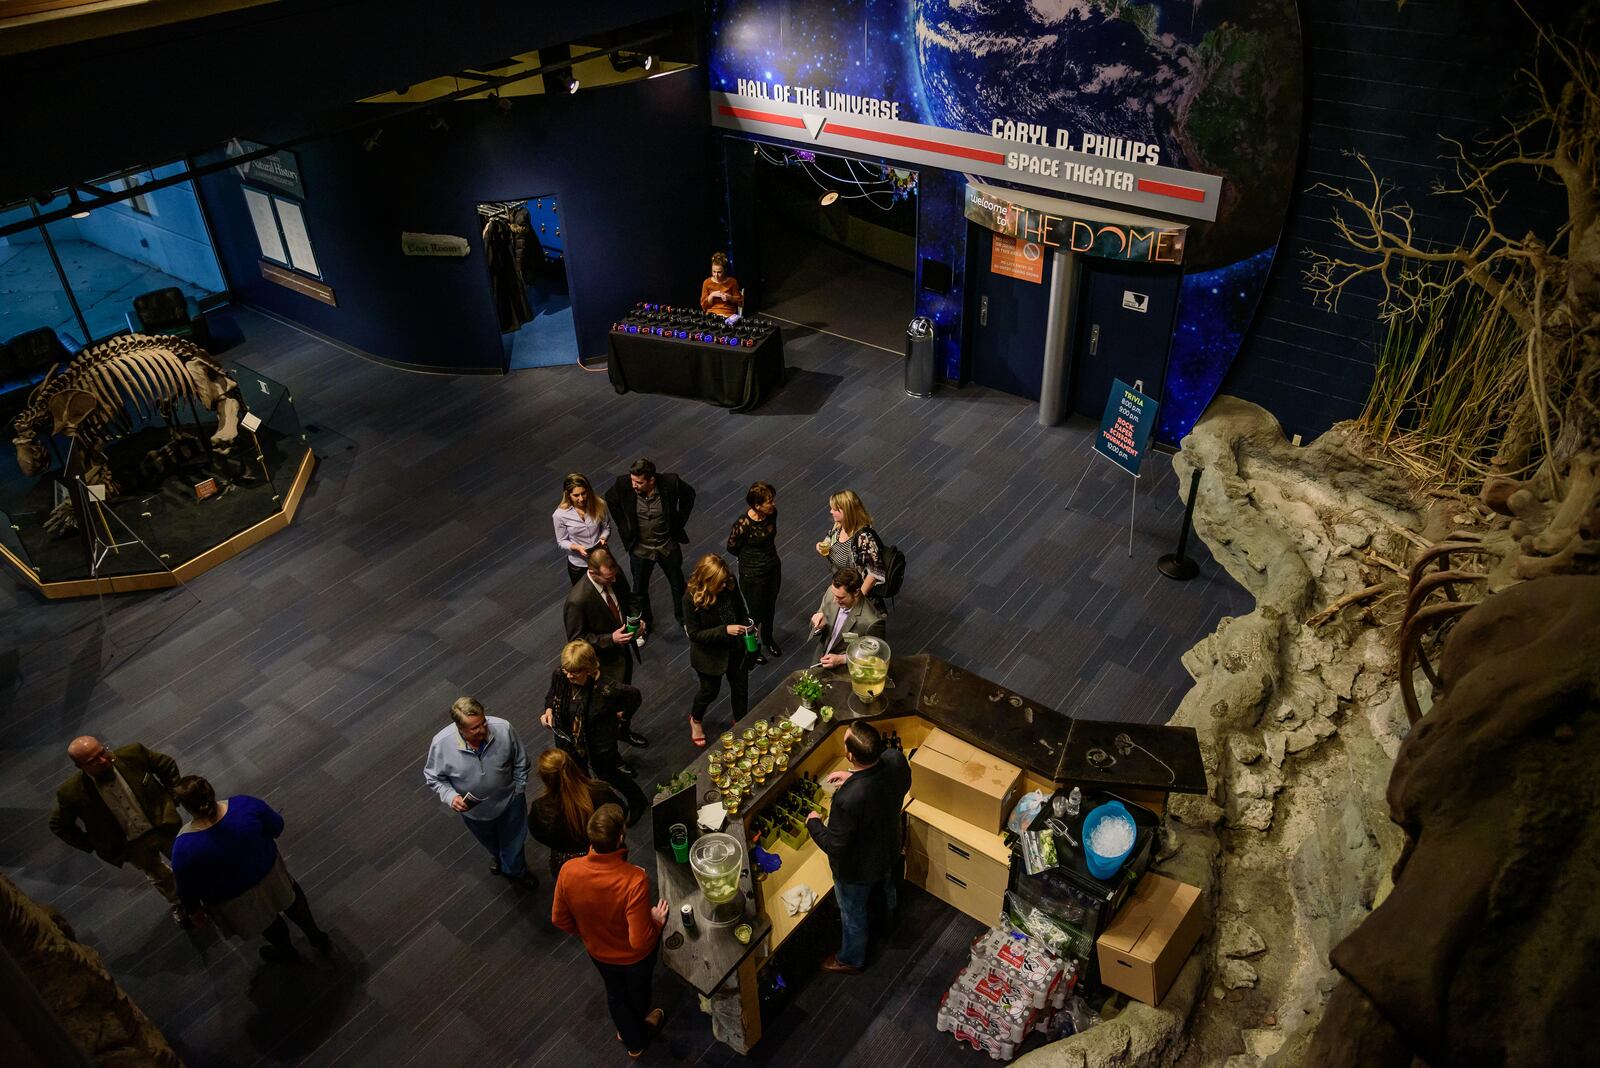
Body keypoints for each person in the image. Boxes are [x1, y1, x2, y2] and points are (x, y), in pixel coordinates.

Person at [170, 775, 331, 963]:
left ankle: (287, 953)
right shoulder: (244, 805)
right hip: (270, 873)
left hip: (234, 896)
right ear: (210, 791)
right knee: (292, 901)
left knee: (267, 922)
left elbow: (187, 888)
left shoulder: (183, 847)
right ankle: (317, 937)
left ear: (185, 807)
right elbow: (277, 826)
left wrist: (194, 911)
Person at [551, 804, 669, 1058]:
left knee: (615, 993)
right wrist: (656, 922)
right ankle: (635, 1039)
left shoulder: (568, 870)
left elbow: (559, 919)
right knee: (638, 994)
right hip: (634, 958)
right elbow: (638, 942)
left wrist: (590, 933)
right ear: (621, 838)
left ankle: (626, 1030)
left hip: (598, 953)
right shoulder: (633, 879)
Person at [48, 737, 188, 928]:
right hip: (132, 845)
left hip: (162, 826)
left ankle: (204, 888)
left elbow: (167, 766)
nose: (104, 760)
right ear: (80, 766)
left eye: (103, 752)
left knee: (187, 859)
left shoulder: (134, 754)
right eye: (94, 761)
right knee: (158, 875)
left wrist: (174, 798)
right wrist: (93, 844)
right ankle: (177, 902)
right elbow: (59, 825)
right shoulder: (71, 793)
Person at [805, 721, 911, 973]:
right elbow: (898, 784)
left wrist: (814, 823)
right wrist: (854, 775)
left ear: (851, 755)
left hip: (858, 869)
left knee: (852, 914)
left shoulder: (847, 799)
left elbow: (836, 845)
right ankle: (889, 925)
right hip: (889, 845)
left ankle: (850, 959)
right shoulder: (895, 759)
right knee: (888, 889)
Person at [422, 697, 536, 886]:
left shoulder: (503, 728)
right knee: (490, 842)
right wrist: (451, 797)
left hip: (510, 800)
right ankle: (499, 857)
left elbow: (521, 760)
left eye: (483, 723)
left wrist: (519, 788)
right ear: (460, 728)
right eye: (475, 728)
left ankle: (516, 872)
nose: (483, 730)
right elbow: (433, 777)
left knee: (514, 842)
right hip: (475, 812)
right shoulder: (441, 744)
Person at [541, 640, 650, 822]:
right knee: (582, 778)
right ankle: (612, 808)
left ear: (589, 668)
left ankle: (637, 800)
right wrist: (549, 710)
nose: (568, 675)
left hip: (599, 744)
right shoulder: (561, 674)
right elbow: (552, 695)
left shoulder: (607, 690)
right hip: (569, 742)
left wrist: (622, 717)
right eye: (566, 670)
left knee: (609, 775)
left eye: (574, 672)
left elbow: (634, 697)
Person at [563, 546, 648, 747]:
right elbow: (577, 640)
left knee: (625, 698)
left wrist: (637, 621)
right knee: (607, 711)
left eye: (614, 576)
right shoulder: (577, 600)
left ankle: (624, 731)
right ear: (592, 573)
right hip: (603, 665)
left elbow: (631, 599)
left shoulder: (614, 575)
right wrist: (611, 639)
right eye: (608, 579)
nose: (614, 581)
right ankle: (612, 752)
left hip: (623, 653)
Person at [605, 458, 695, 633]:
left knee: (678, 585)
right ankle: (644, 624)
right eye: (632, 480)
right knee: (639, 590)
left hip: (667, 546)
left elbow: (689, 495)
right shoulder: (623, 484)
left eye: (638, 482)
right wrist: (624, 528)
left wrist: (679, 521)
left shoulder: (671, 482)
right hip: (641, 550)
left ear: (651, 480)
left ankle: (684, 619)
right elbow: (611, 499)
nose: (633, 485)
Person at [683, 554, 752, 747]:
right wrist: (725, 630)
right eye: (719, 584)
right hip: (709, 656)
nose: (724, 586)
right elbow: (695, 635)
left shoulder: (729, 582)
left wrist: (747, 625)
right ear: (707, 582)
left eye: (725, 581)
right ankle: (695, 719)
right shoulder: (690, 599)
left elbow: (740, 608)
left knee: (740, 689)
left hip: (735, 649)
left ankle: (740, 721)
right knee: (709, 692)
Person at [527, 748, 624, 879]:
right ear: (572, 766)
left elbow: (537, 833)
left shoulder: (541, 809)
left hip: (568, 865)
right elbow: (620, 812)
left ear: (545, 778)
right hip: (605, 856)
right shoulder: (600, 791)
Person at [727, 480, 782, 662]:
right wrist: (751, 559)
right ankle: (752, 648)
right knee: (755, 613)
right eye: (769, 502)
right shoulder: (743, 524)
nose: (773, 504)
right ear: (757, 506)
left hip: (772, 567)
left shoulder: (771, 514)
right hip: (752, 574)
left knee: (770, 606)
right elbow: (732, 547)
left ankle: (768, 638)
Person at [815, 489, 886, 612]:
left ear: (846, 511)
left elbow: (875, 572)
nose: (831, 511)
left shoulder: (864, 537)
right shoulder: (838, 527)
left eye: (835, 509)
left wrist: (858, 601)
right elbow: (827, 541)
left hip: (858, 598)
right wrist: (820, 546)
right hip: (843, 591)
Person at [810, 566, 887, 668]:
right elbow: (816, 622)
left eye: (840, 597)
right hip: (819, 658)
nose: (834, 601)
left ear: (856, 592)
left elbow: (875, 655)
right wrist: (819, 626)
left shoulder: (872, 621)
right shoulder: (832, 592)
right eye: (834, 595)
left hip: (844, 670)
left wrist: (842, 659)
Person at [552, 472, 619, 585]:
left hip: (602, 559)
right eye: (576, 495)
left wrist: (603, 538)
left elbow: (606, 527)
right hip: (580, 564)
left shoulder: (599, 504)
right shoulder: (560, 515)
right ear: (568, 495)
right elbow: (561, 541)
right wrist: (576, 547)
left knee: (615, 589)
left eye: (584, 493)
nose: (581, 498)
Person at [699, 251, 744, 318]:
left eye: (719, 272)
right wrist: (711, 295)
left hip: (728, 315)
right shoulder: (707, 282)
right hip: (711, 315)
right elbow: (703, 306)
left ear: (725, 270)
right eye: (714, 271)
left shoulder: (732, 282)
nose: (716, 275)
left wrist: (729, 297)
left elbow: (739, 301)